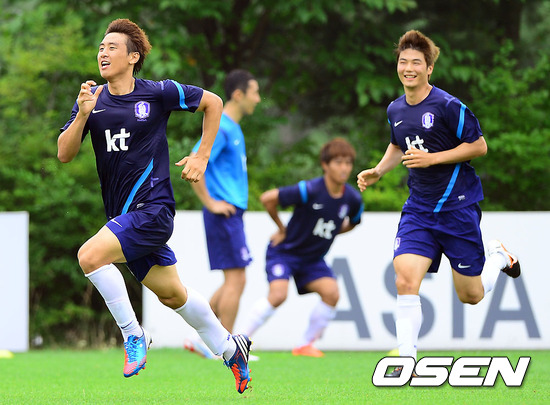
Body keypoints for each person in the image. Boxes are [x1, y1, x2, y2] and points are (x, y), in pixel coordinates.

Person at [57, 18, 251, 394]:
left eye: (112, 47)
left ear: (133, 57)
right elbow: (64, 154)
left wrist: (202, 156)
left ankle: (134, 336)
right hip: (123, 217)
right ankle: (231, 348)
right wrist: (81, 114)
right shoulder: (91, 100)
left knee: (89, 256)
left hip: (153, 210)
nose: (103, 53)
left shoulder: (158, 92)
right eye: (100, 47)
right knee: (172, 294)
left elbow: (213, 102)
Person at [356, 30, 521, 376]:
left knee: (471, 295)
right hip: (419, 209)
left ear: (429, 68)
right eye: (403, 62)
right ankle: (407, 363)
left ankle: (498, 258)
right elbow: (398, 144)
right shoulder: (395, 109)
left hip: (457, 208)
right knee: (405, 280)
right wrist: (378, 170)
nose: (409, 68)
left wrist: (433, 159)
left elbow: (479, 146)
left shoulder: (448, 106)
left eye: (416, 62)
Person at [239, 138, 364, 357]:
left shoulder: (353, 199)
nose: (344, 168)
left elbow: (354, 222)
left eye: (348, 163)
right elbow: (268, 198)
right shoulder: (310, 189)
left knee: (332, 293)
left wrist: (332, 232)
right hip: (284, 252)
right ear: (325, 165)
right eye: (338, 162)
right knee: (278, 295)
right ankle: (239, 344)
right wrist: (281, 228)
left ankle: (305, 344)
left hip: (312, 260)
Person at [188, 70, 260, 334]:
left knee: (235, 279)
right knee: (237, 280)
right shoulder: (223, 127)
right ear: (238, 94)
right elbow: (195, 160)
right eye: (255, 93)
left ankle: (203, 339)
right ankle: (225, 347)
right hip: (224, 213)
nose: (258, 99)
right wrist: (210, 202)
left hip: (231, 214)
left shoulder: (233, 127)